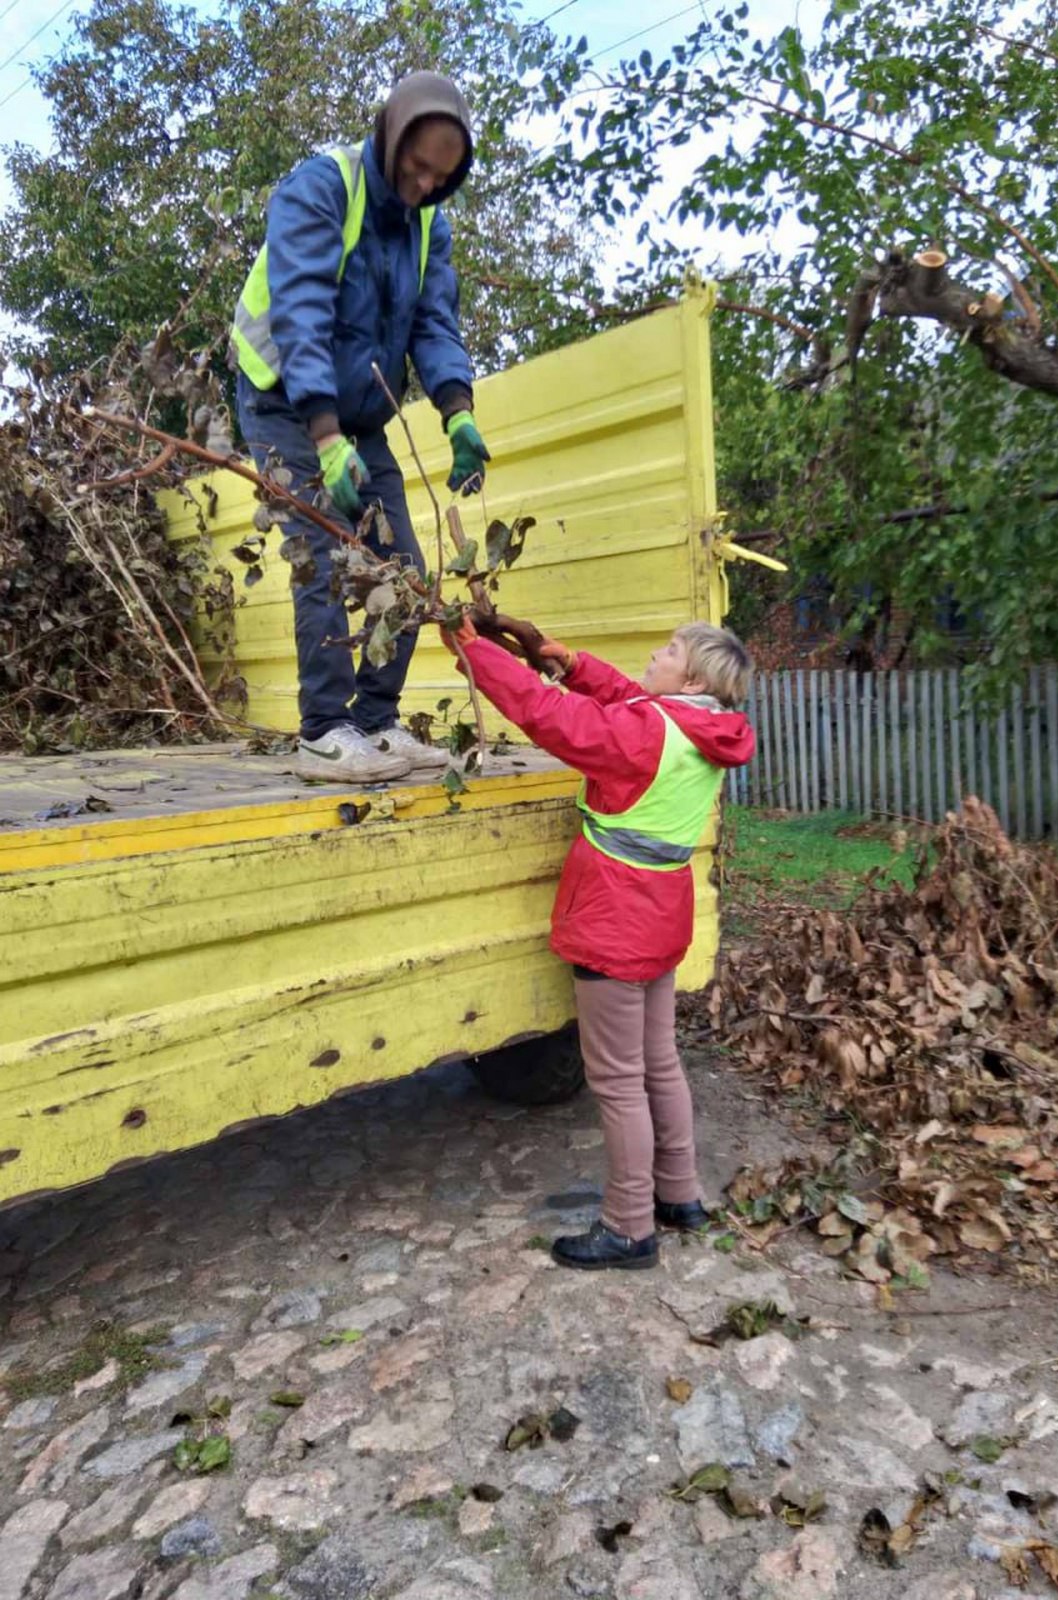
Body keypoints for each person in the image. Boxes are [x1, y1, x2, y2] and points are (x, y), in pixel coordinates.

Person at [441, 616, 755, 1270]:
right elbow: (622, 703)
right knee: (659, 1064)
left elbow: (548, 715)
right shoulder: (703, 729)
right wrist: (564, 658)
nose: (654, 653)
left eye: (668, 651)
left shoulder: (646, 733)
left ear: (691, 678)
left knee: (615, 1083)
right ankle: (681, 1194)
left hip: (615, 915)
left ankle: (629, 1226)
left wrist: (475, 652)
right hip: (661, 913)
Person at [232, 73, 491, 782]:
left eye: (440, 176)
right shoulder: (322, 190)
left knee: (403, 568)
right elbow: (302, 313)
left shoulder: (429, 223)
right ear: (391, 133)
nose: (421, 184)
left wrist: (457, 408)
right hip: (284, 399)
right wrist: (323, 434)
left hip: (358, 414)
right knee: (319, 551)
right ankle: (323, 731)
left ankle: (375, 724)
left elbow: (436, 322)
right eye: (416, 165)